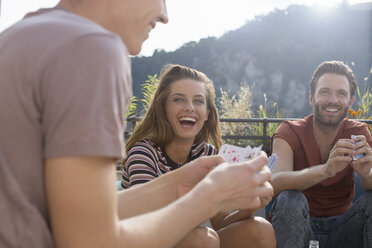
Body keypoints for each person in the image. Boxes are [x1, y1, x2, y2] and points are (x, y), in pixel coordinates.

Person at [0, 0, 274, 247]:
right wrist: (209, 196)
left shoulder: (18, 36)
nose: (164, 15)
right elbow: (91, 241)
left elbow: (76, 212)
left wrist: (177, 184)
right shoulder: (91, 47)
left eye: (198, 102)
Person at [122, 64, 276, 248]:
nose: (190, 108)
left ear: (207, 114)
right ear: (162, 109)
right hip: (140, 241)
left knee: (260, 229)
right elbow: (149, 221)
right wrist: (205, 198)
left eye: (198, 101)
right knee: (203, 239)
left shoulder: (207, 154)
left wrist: (250, 206)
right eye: (178, 100)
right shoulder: (143, 152)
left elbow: (221, 221)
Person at [270, 60, 372, 248]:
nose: (333, 100)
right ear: (311, 98)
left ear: (350, 102)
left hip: (345, 227)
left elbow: (369, 182)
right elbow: (274, 182)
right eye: (325, 92)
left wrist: (366, 174)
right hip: (300, 226)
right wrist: (326, 170)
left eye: (341, 93)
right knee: (290, 199)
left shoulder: (358, 132)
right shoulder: (289, 131)